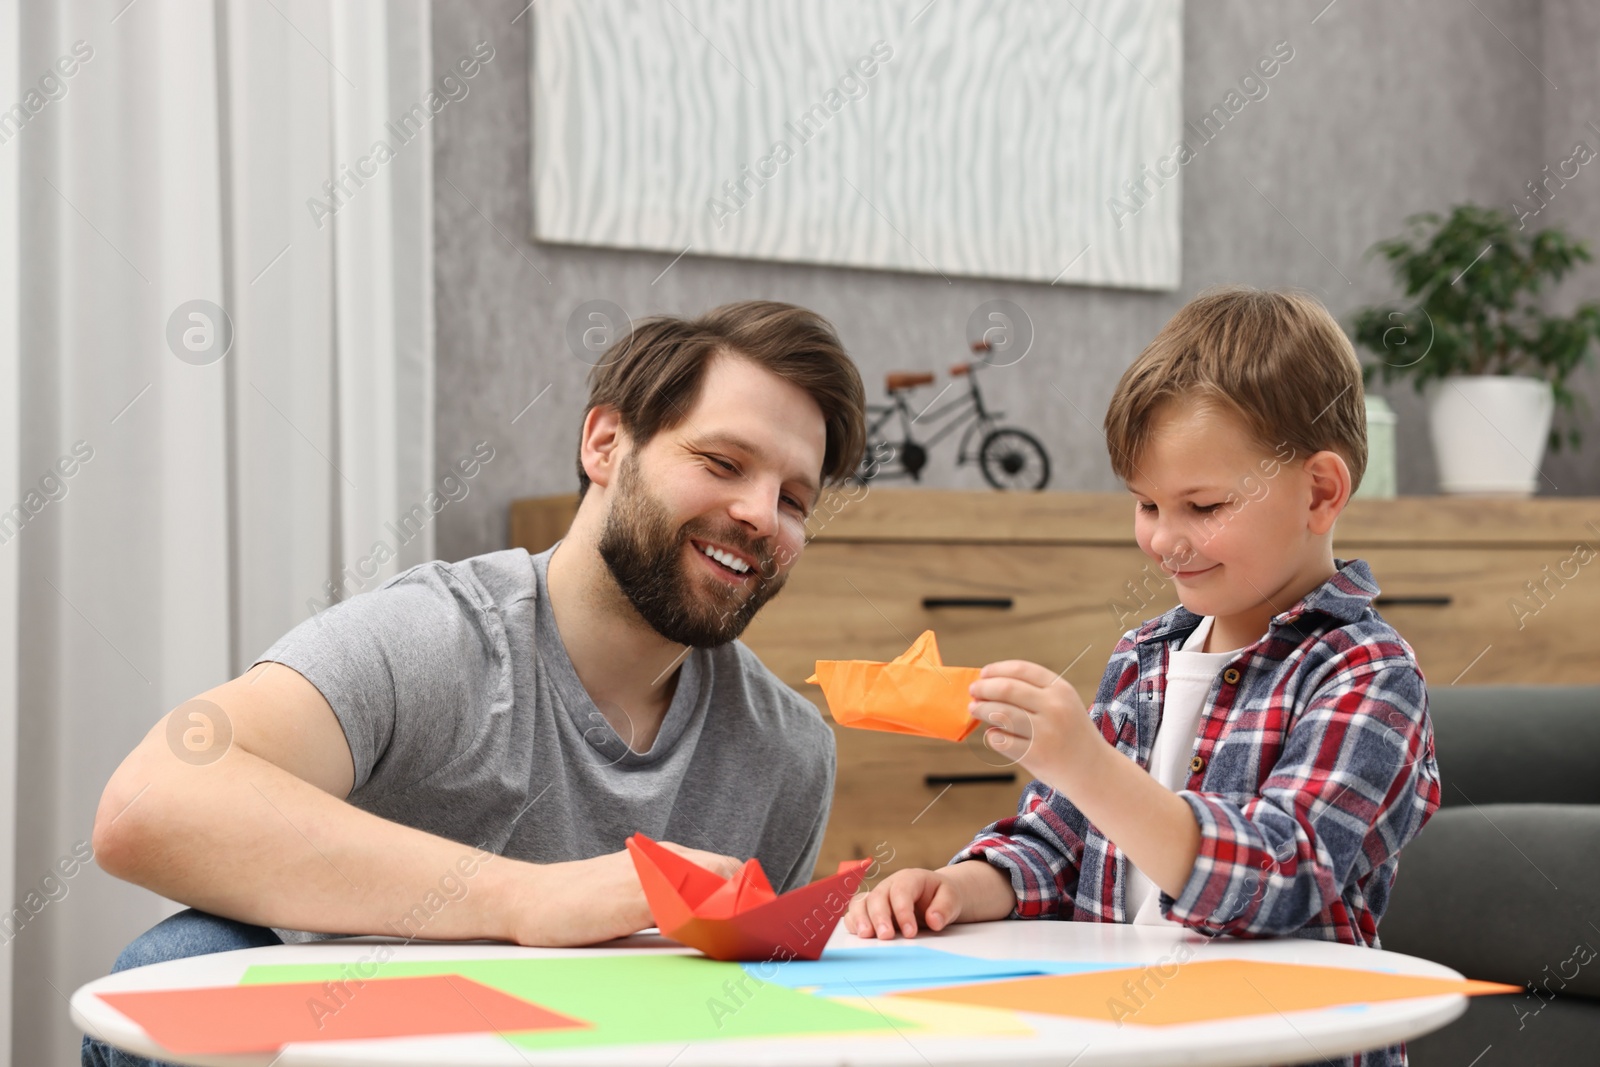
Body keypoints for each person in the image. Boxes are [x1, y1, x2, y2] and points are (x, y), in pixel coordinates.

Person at [85, 300, 866, 1067]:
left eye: (794, 500)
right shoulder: (436, 639)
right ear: (605, 443)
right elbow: (148, 803)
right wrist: (529, 902)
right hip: (367, 1047)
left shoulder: (790, 753)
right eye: (722, 462)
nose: (762, 514)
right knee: (179, 959)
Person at [844, 287, 1441, 1067]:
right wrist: (963, 885)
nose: (1165, 539)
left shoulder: (1366, 674)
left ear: (1321, 491)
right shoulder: (1144, 658)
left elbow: (1279, 876)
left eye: (1202, 504)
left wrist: (1088, 765)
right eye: (1146, 503)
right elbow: (1060, 842)